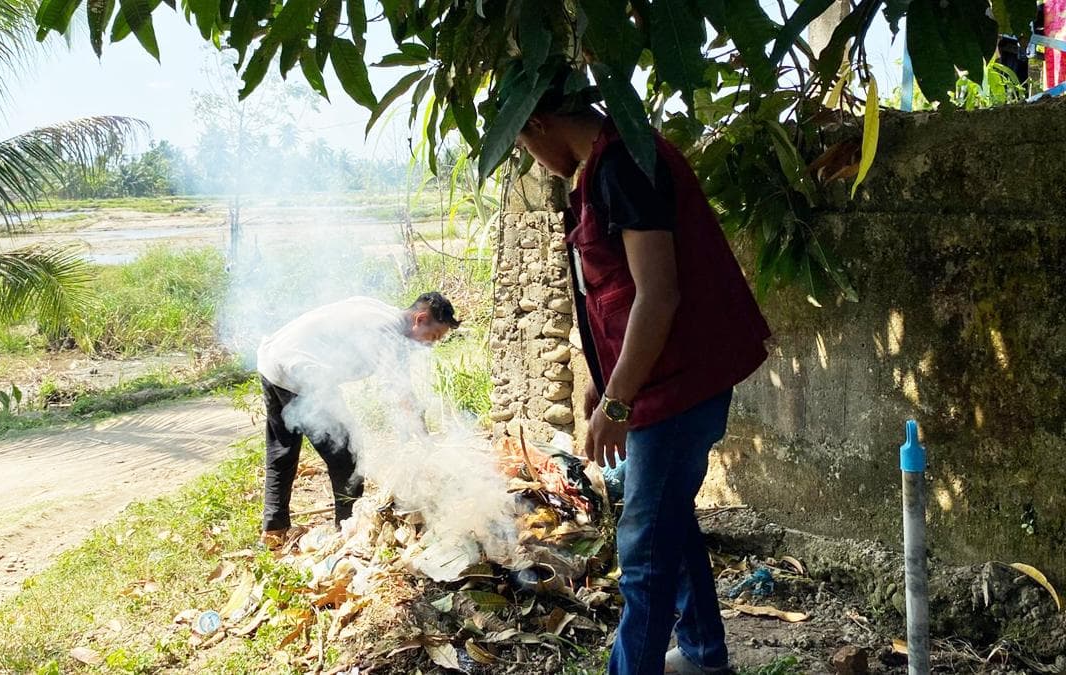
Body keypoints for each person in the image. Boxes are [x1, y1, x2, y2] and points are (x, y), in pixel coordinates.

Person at [506, 64, 772, 675]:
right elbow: (617, 295)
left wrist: (617, 403)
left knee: (644, 549)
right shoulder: (603, 165)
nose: (533, 157)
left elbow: (659, 295)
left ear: (541, 123)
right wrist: (603, 379)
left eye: (524, 143)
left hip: (678, 387)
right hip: (663, 380)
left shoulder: (625, 165)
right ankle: (705, 657)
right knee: (668, 526)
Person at [255, 292, 460, 545]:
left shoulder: (383, 314)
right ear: (420, 319)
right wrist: (426, 442)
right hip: (301, 372)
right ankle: (349, 530)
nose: (429, 345)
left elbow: (402, 383)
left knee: (281, 450)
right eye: (433, 337)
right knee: (347, 456)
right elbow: (398, 393)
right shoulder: (387, 332)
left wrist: (413, 433)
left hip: (270, 360)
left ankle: (274, 530)